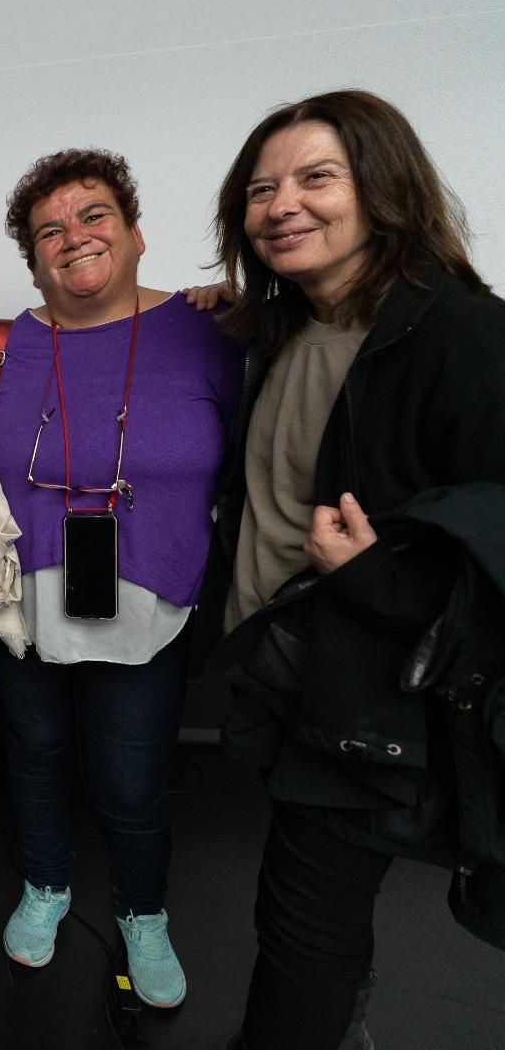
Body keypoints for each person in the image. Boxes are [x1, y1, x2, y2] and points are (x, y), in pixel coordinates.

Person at [207, 90, 505, 1050]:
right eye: (261, 189)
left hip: (372, 708)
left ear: (383, 189)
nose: (281, 204)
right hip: (291, 676)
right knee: (316, 931)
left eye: (314, 178)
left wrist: (376, 576)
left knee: (301, 936)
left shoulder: (466, 334)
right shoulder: (294, 321)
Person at [0, 150, 241, 1007]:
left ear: (136, 232)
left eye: (92, 217)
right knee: (35, 754)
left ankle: (143, 911)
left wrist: (249, 305)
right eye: (49, 230)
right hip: (25, 597)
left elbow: (248, 452)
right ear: (33, 257)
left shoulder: (210, 333)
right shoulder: (5, 344)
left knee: (129, 777)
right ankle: (46, 884)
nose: (72, 238)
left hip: (146, 597)